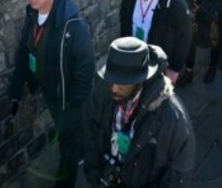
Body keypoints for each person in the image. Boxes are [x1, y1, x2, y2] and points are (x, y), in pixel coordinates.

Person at [9, 0, 94, 187]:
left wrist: (74, 104)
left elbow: (85, 69)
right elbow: (23, 53)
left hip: (68, 100)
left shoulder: (74, 25)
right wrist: (15, 92)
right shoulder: (32, 15)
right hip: (51, 94)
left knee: (68, 143)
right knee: (68, 136)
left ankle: (67, 179)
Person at [84, 37, 195, 187]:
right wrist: (95, 177)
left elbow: (178, 178)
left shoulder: (173, 120)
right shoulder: (102, 93)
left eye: (123, 81)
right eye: (111, 78)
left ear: (141, 79)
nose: (114, 88)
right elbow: (90, 135)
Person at [120, 0, 192, 84]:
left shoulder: (175, 5)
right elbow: (124, 24)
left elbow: (185, 38)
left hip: (159, 65)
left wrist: (175, 69)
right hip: (135, 59)